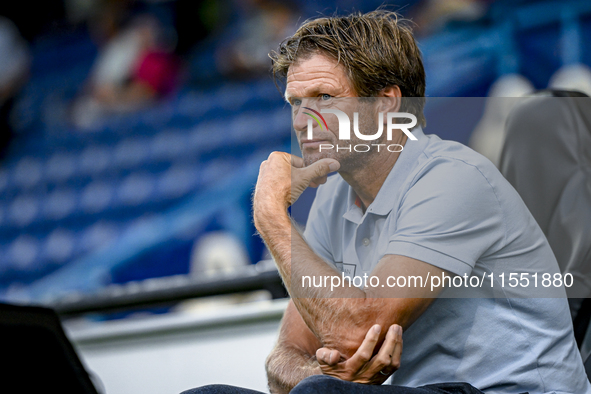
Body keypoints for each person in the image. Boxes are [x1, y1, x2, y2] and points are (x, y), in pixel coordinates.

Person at [183, 10, 591, 394]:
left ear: (386, 103)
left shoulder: (452, 178)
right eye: (296, 102)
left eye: (325, 97)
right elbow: (283, 360)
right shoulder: (333, 196)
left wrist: (270, 214)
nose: (303, 119)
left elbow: (352, 334)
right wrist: (327, 373)